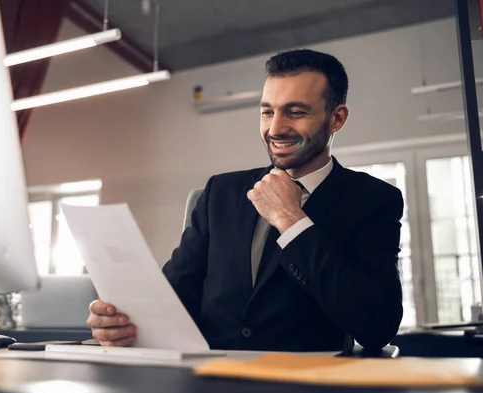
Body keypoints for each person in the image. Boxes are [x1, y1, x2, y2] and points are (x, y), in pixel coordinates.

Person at [87, 49, 404, 352]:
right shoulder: (220, 192)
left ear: (337, 119)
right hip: (209, 382)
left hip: (307, 386)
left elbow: (377, 327)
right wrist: (123, 323)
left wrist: (292, 221)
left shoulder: (373, 200)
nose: (275, 128)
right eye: (267, 111)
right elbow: (175, 295)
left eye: (295, 112)